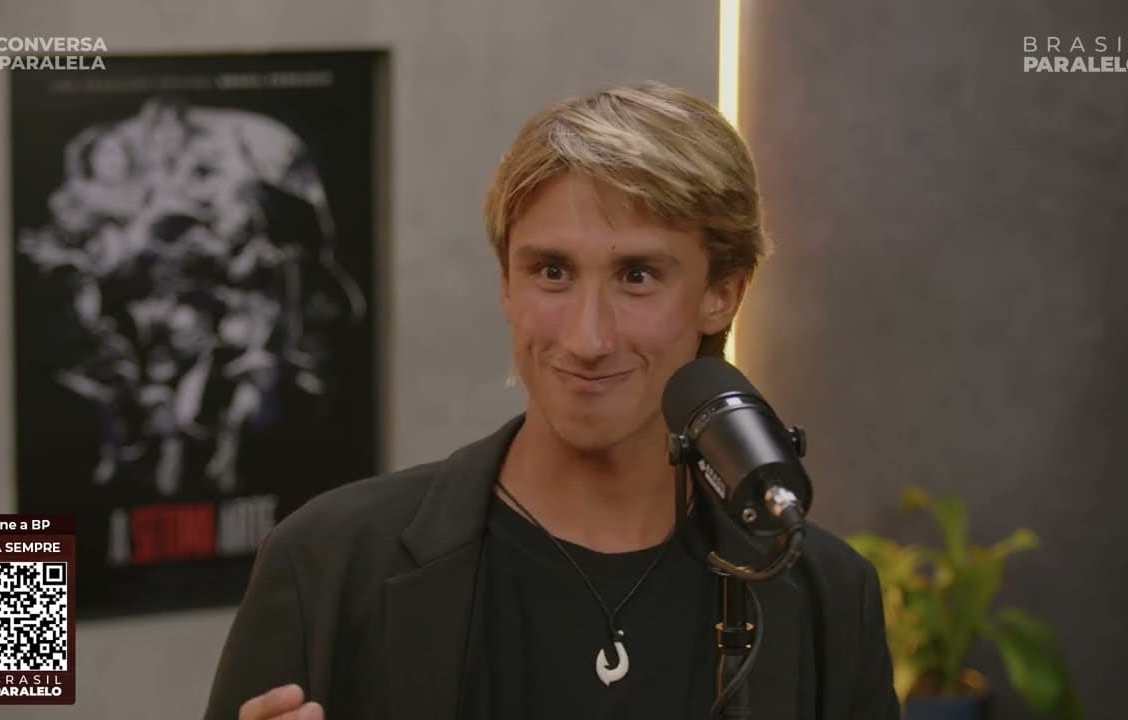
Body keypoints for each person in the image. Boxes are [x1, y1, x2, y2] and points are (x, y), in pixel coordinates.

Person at [204, 81, 898, 720]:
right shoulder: (328, 564)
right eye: (552, 271)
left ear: (723, 294)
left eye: (637, 275)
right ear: (506, 284)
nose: (587, 337)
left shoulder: (826, 596)